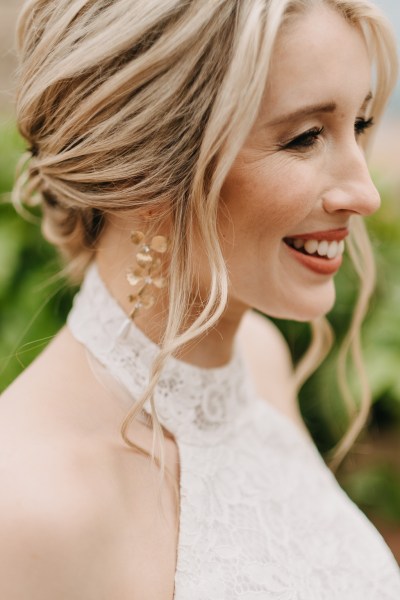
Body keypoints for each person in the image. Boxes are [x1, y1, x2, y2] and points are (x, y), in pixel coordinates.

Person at [1, 0, 400, 597]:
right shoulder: (33, 506)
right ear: (145, 163)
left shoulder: (258, 363)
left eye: (360, 125)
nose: (364, 193)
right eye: (306, 136)